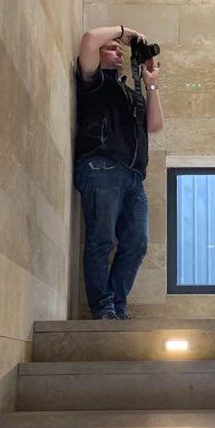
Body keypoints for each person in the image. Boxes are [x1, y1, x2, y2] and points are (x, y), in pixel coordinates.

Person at [74, 24, 164, 320]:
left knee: (137, 243)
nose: (119, 53)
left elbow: (155, 125)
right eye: (111, 48)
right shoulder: (94, 81)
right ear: (98, 55)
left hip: (133, 177)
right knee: (101, 239)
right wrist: (124, 32)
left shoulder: (129, 92)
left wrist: (151, 84)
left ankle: (116, 303)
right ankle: (104, 308)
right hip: (101, 166)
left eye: (120, 50)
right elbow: (89, 39)